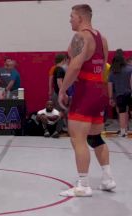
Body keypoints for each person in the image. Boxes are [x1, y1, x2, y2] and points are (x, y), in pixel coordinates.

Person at [58, 4, 116, 197]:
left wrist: (62, 90)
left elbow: (74, 67)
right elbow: (104, 65)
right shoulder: (102, 38)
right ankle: (107, 179)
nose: (69, 20)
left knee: (78, 138)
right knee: (94, 137)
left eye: (71, 16)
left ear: (81, 18)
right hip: (99, 90)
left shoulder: (80, 37)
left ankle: (83, 185)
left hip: (86, 91)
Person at [108, 54, 132, 137]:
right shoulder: (130, 69)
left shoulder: (113, 72)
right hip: (130, 93)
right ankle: (127, 130)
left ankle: (123, 132)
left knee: (122, 113)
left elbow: (110, 86)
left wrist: (111, 98)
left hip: (120, 95)